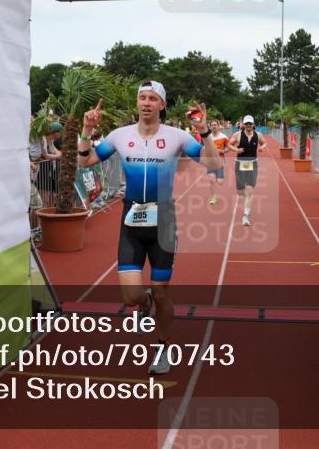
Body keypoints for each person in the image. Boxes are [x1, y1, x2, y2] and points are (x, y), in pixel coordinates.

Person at [78, 80, 221, 375]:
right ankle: (142, 306)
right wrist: (86, 132)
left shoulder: (177, 136)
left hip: (164, 221)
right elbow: (86, 161)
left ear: (162, 105)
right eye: (141, 98)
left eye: (152, 98)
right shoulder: (120, 135)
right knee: (131, 296)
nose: (145, 103)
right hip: (131, 220)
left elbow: (213, 163)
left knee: (162, 293)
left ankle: (163, 347)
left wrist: (204, 132)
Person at [227, 115, 267, 226]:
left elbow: (264, 143)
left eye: (250, 123)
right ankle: (244, 195)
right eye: (246, 123)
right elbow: (229, 144)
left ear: (253, 124)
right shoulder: (237, 135)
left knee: (249, 190)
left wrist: (262, 147)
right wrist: (237, 149)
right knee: (240, 191)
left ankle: (245, 216)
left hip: (253, 164)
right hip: (240, 164)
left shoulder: (258, 135)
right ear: (243, 125)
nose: (248, 125)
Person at [206, 120, 230, 205]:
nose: (213, 126)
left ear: (218, 126)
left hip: (220, 162)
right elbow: (204, 148)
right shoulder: (208, 137)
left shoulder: (223, 137)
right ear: (210, 127)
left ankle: (222, 175)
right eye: (212, 125)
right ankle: (214, 198)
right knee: (212, 180)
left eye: (215, 125)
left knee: (220, 182)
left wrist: (222, 151)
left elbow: (229, 147)